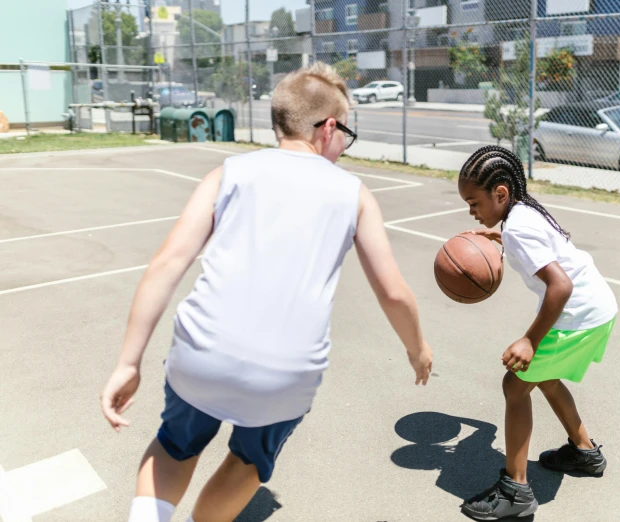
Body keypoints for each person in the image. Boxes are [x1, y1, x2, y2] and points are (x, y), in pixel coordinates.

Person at [99, 63, 433, 522]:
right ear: (328, 128)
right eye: (346, 134)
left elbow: (167, 263)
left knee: (175, 446)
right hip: (287, 372)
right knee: (248, 460)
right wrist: (417, 350)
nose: (344, 145)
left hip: (203, 351)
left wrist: (127, 363)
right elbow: (393, 292)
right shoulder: (354, 193)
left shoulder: (229, 172)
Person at [457, 146, 617, 520]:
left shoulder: (517, 229)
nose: (471, 211)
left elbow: (559, 286)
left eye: (474, 202)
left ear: (500, 194)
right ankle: (584, 452)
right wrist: (499, 238)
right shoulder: (524, 212)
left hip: (576, 315)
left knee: (515, 386)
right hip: (599, 309)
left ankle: (516, 491)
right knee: (545, 379)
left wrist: (529, 339)